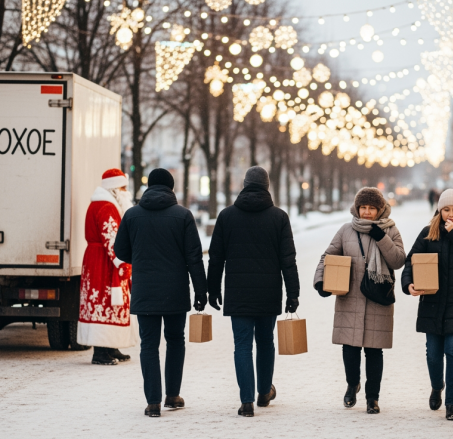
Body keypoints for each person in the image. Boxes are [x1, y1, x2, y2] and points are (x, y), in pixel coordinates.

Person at [207, 166, 300, 417]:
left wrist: (212, 289)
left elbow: (216, 258)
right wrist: (293, 293)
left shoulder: (227, 216)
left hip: (238, 293)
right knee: (266, 342)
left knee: (242, 345)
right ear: (267, 186)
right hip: (268, 292)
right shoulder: (279, 217)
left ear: (245, 184)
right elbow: (287, 260)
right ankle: (263, 392)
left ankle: (246, 401)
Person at [114, 168, 208, 418]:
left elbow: (120, 251)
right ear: (171, 187)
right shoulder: (183, 216)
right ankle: (172, 396)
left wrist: (142, 255)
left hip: (145, 289)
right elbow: (194, 258)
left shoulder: (132, 215)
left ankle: (153, 401)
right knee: (176, 340)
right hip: (175, 290)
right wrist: (201, 291)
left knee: (149, 345)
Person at [313, 187, 405, 414]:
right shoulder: (346, 230)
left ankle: (372, 398)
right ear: (357, 208)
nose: (366, 212)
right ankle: (352, 384)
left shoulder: (390, 230)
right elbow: (329, 255)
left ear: (379, 209)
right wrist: (321, 281)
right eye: (363, 207)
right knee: (350, 348)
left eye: (371, 208)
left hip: (377, 299)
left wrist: (381, 238)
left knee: (374, 352)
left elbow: (398, 260)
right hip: (350, 298)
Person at [402, 189, 453, 421]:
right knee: (433, 355)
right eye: (446, 209)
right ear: (439, 210)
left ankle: (452, 404)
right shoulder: (428, 233)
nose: (450, 214)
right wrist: (409, 284)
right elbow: (411, 261)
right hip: (433, 303)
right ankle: (437, 386)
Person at [78, 169, 136, 365]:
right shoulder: (107, 207)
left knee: (105, 304)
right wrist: (122, 262)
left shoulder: (102, 204)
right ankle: (100, 352)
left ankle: (110, 347)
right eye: (123, 187)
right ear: (115, 188)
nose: (126, 191)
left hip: (98, 259)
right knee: (104, 303)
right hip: (103, 263)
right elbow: (112, 239)